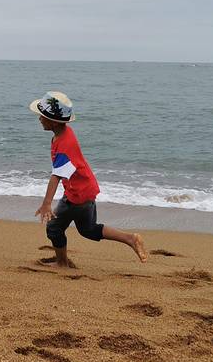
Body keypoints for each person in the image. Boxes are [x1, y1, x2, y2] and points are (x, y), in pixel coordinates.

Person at [30, 91, 147, 268]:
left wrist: (46, 204)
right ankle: (130, 238)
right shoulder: (63, 133)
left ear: (53, 121)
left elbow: (56, 176)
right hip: (84, 188)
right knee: (88, 229)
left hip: (77, 194)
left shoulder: (65, 144)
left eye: (42, 116)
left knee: (54, 228)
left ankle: (62, 263)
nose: (39, 119)